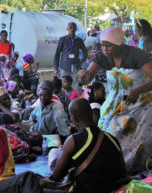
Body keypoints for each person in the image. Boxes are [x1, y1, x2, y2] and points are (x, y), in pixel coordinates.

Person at [78, 26, 152, 173]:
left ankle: (130, 168)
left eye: (108, 45)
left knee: (134, 139)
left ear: (120, 44)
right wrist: (83, 75)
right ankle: (110, 167)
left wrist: (137, 91)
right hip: (118, 101)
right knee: (107, 131)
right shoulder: (102, 56)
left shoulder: (137, 55)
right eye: (102, 45)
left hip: (142, 103)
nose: (104, 49)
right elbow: (89, 77)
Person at [49, 98, 128, 192]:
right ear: (91, 115)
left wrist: (61, 156)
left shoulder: (72, 141)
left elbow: (56, 176)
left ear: (74, 118)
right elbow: (123, 172)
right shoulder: (112, 139)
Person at [54, 22, 87, 92]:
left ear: (76, 29)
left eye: (73, 28)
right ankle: (65, 101)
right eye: (70, 28)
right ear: (67, 29)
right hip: (65, 66)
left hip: (76, 66)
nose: (72, 29)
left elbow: (85, 52)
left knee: (75, 84)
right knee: (64, 85)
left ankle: (75, 101)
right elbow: (57, 54)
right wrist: (56, 69)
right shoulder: (62, 39)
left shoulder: (79, 40)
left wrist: (82, 60)